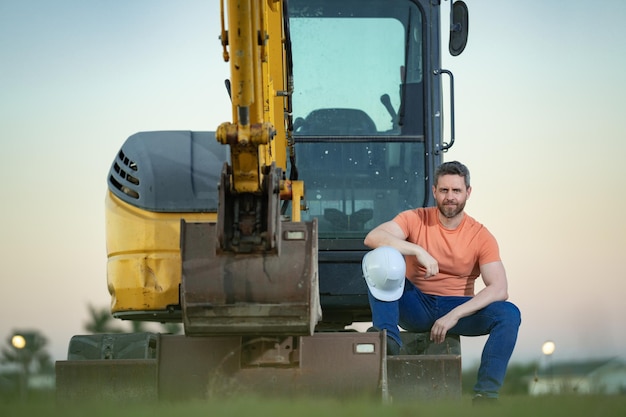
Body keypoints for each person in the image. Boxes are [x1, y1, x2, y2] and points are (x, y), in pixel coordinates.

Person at [363, 160, 521, 402]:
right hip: (415, 304)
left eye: (456, 190)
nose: (450, 197)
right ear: (435, 191)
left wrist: (454, 315)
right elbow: (373, 237)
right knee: (381, 257)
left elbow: (499, 288)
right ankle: (389, 337)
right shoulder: (415, 218)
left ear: (468, 192)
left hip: (458, 308)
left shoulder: (481, 236)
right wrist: (416, 250)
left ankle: (486, 395)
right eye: (444, 190)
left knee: (509, 314)